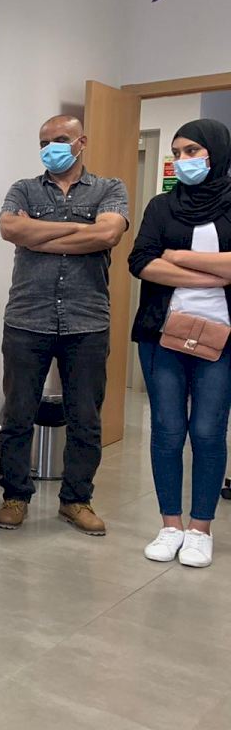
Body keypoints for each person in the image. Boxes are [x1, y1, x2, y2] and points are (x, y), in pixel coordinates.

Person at [0, 114, 129, 536]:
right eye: (43, 142)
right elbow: (9, 228)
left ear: (80, 142)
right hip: (27, 318)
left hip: (86, 320)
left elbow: (107, 235)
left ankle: (76, 500)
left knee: (85, 418)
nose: (49, 148)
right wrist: (79, 229)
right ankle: (15, 496)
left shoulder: (110, 189)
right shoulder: (24, 188)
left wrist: (37, 233)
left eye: (58, 139)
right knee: (18, 414)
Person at [129, 119, 231, 568]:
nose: (183, 160)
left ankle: (200, 529)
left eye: (192, 150)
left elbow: (162, 260)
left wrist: (179, 258)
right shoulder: (162, 206)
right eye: (176, 153)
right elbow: (141, 261)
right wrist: (213, 274)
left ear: (216, 152)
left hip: (222, 339)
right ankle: (170, 524)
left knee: (208, 431)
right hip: (162, 334)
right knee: (167, 430)